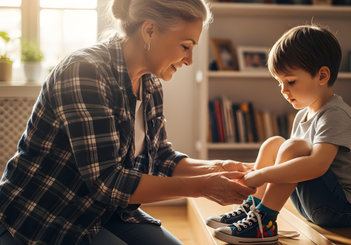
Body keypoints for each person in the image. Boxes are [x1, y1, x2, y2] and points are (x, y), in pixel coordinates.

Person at [0, 0, 256, 244]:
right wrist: (201, 186)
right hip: (45, 215)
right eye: (185, 46)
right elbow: (108, 182)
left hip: (106, 213)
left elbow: (161, 157)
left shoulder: (150, 82)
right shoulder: (84, 71)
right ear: (150, 31)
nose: (189, 60)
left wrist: (217, 168)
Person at [206, 25, 351, 244]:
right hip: (316, 203)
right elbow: (285, 161)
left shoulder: (336, 115)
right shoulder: (304, 114)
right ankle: (253, 208)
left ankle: (264, 224)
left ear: (322, 76)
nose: (284, 90)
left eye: (291, 81)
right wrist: (249, 168)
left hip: (342, 209)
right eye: (280, 83)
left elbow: (317, 165)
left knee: (293, 148)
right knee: (275, 143)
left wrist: (262, 175)